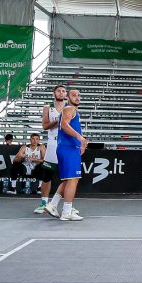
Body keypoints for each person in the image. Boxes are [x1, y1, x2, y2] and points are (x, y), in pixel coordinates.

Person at [45, 89, 88, 221]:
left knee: (68, 180)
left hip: (67, 147)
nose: (77, 97)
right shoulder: (69, 109)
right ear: (68, 98)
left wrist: (80, 142)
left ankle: (53, 205)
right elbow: (64, 125)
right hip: (68, 148)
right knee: (73, 180)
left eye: (79, 95)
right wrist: (80, 137)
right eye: (74, 95)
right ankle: (66, 212)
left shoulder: (71, 110)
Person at [35, 84, 65, 213]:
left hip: (66, 143)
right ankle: (43, 203)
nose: (61, 93)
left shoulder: (69, 107)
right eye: (58, 91)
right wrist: (58, 121)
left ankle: (66, 205)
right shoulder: (48, 107)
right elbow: (45, 126)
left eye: (63, 91)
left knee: (68, 177)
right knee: (47, 175)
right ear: (54, 93)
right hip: (53, 143)